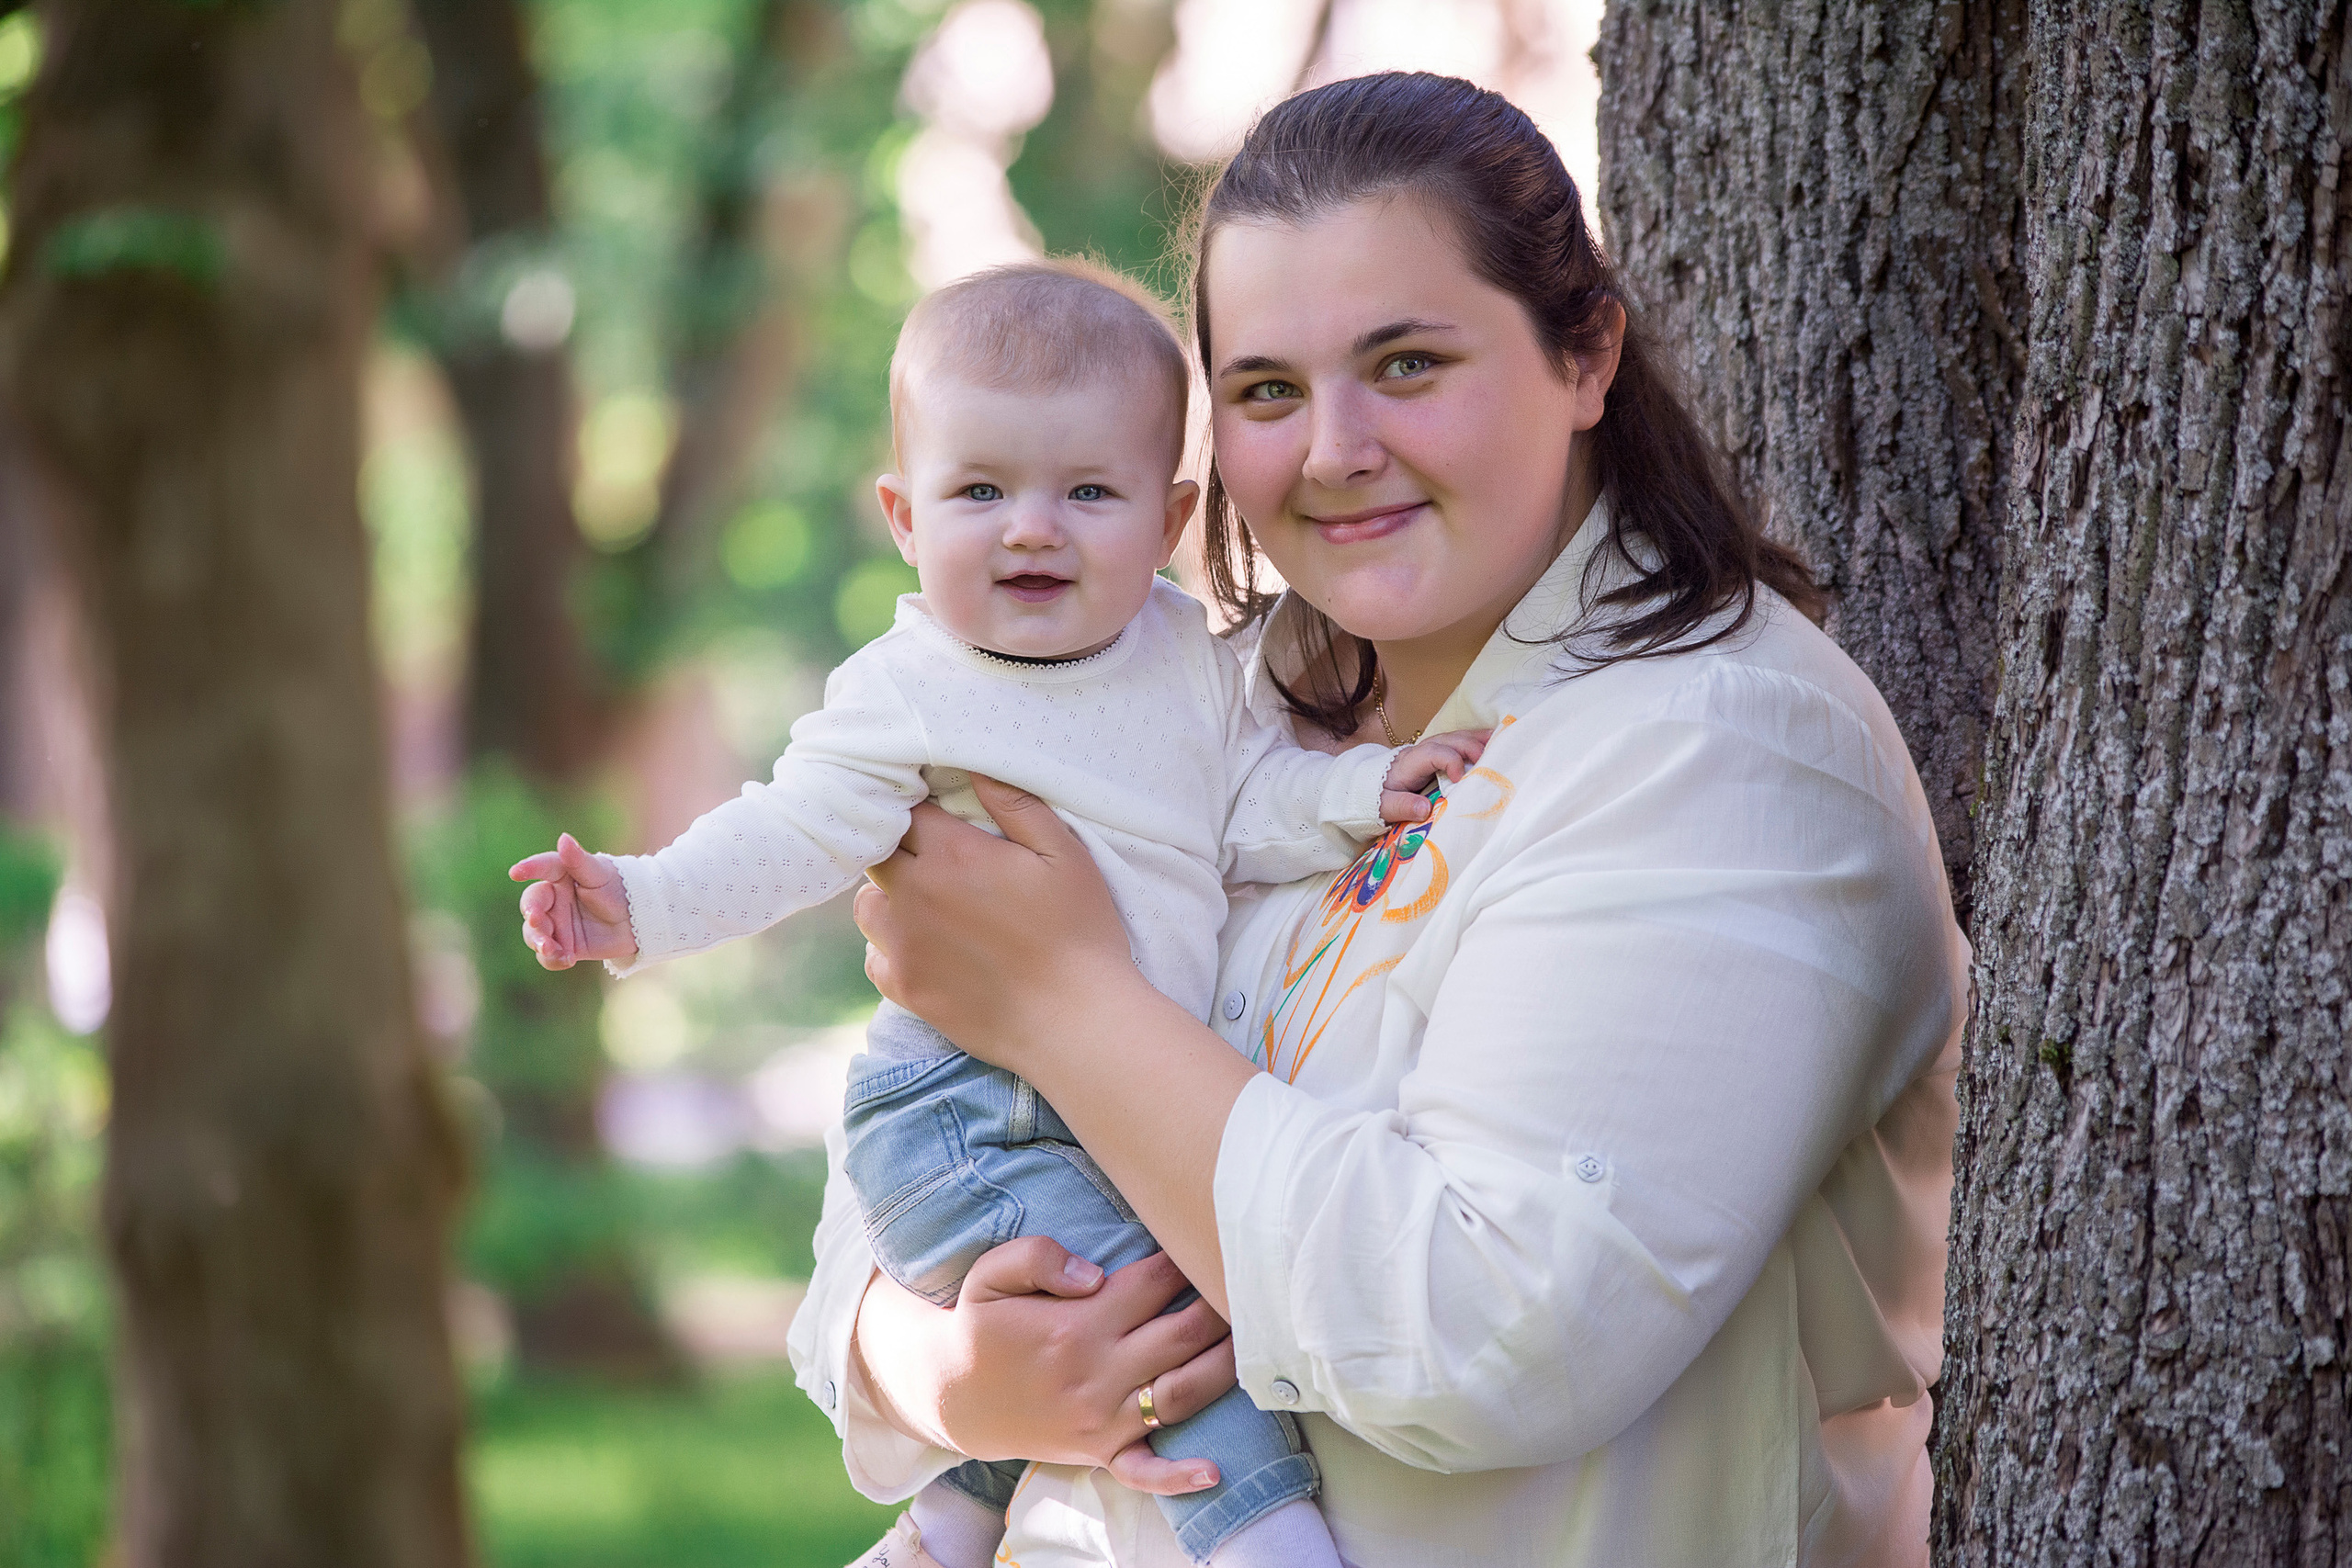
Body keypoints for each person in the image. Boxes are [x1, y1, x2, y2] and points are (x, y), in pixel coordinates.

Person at [788, 72, 1972, 1568]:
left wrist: (1060, 1000)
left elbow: (1493, 1331)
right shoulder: (1208, 712)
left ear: (1587, 350)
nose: (1333, 448)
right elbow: (903, 1156)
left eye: (1406, 364)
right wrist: (941, 1371)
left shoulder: (1725, 755)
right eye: (1270, 391)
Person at [510, 258, 1487, 1568]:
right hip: (966, 1108)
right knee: (1174, 1330)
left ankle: (947, 1525)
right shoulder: (911, 693)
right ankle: (1263, 1538)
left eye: (1089, 491)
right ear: (905, 517)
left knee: (1088, 1302)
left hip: (1102, 1096)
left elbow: (1255, 804)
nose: (1034, 528)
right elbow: (789, 831)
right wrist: (639, 902)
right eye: (982, 492)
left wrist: (1368, 788)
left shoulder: (1191, 664)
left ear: (1169, 514)